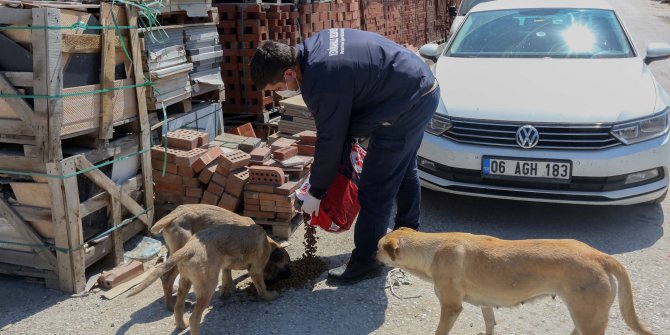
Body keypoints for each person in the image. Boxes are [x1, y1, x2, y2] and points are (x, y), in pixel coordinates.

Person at [250, 28, 439, 285]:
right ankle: (410, 235)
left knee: (375, 188)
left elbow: (331, 138)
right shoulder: (312, 48)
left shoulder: (322, 82)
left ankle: (366, 261)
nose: (281, 93)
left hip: (407, 104)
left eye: (278, 87)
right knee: (403, 168)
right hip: (420, 87)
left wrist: (316, 191)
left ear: (289, 73)